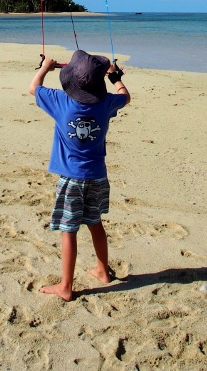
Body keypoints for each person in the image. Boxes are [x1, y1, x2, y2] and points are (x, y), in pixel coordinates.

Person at [29, 49, 130, 301]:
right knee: (95, 222)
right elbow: (125, 97)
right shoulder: (106, 103)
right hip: (97, 175)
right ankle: (102, 271)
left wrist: (44, 68)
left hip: (71, 178)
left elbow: (34, 88)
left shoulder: (60, 101)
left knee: (69, 230)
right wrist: (114, 77)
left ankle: (66, 287)